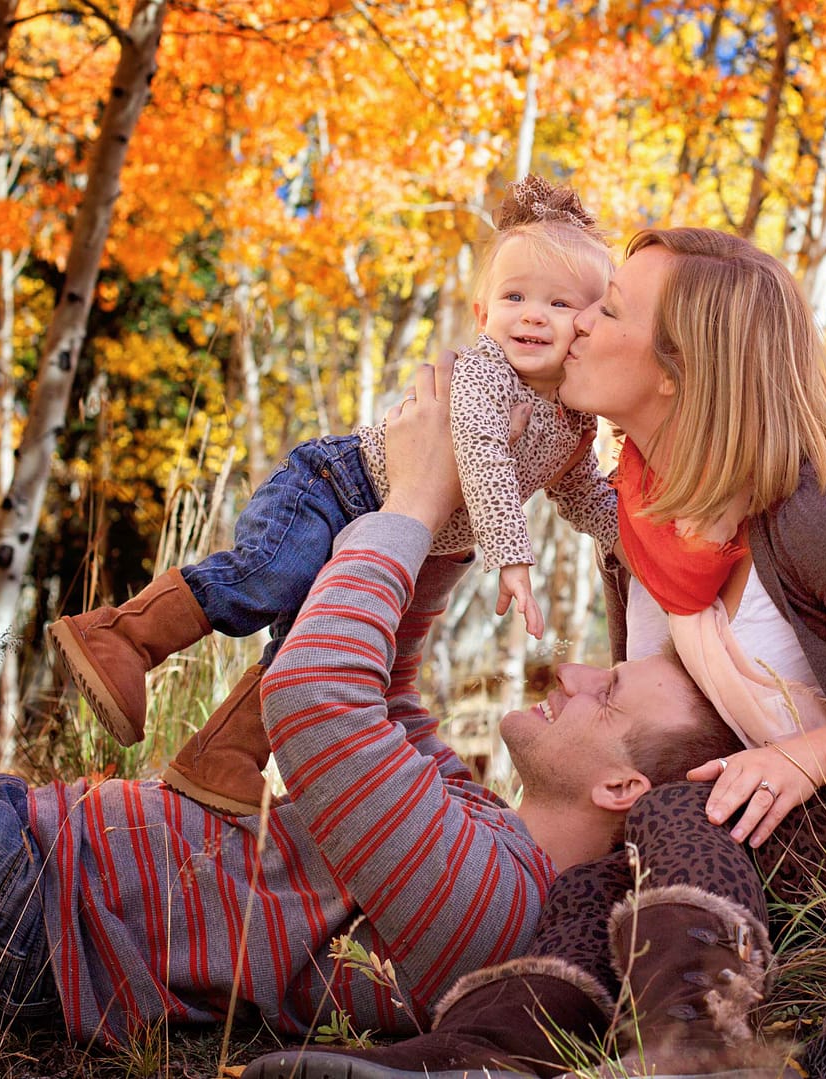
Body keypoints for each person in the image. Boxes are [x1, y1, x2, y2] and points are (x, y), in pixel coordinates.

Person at [242, 228, 826, 1078]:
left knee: (671, 816)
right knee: (586, 884)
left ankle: (699, 1056)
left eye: (609, 308)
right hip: (758, 822)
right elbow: (662, 738)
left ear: (677, 369)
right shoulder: (632, 520)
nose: (576, 322)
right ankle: (473, 1058)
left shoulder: (820, 507)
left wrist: (804, 759)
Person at [0, 355, 743, 1051]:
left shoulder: (488, 907)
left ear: (623, 786)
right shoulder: (479, 825)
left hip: (0, 915)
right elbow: (384, 686)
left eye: (607, 690)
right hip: (14, 825)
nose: (573, 672)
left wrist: (413, 500)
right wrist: (455, 513)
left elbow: (316, 698)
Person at [48, 175, 619, 817]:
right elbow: (480, 452)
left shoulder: (575, 422)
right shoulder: (485, 374)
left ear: (591, 329)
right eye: (515, 296)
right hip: (340, 488)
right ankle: (123, 637)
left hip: (392, 535)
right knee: (271, 577)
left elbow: (582, 492)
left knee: (311, 651)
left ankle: (220, 759)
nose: (534, 314)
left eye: (561, 304)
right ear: (484, 315)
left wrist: (627, 532)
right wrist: (510, 555)